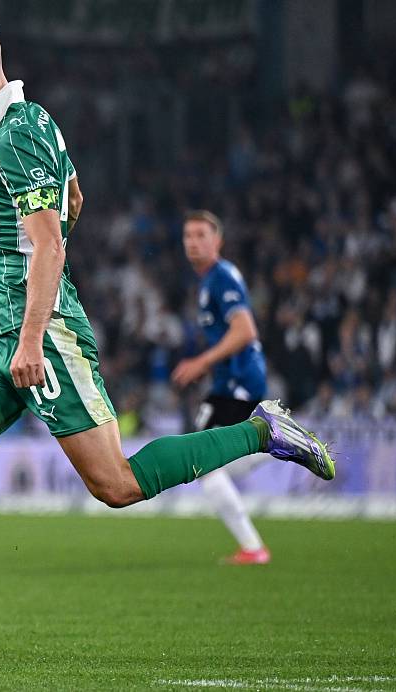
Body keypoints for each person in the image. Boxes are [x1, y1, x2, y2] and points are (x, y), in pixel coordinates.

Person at [0, 13, 334, 658]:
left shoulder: (17, 135)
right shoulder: (22, 128)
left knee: (116, 485)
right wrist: (53, 221)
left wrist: (32, 337)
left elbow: (51, 240)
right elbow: (72, 197)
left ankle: (263, 431)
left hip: (41, 336)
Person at [171, 210, 271, 565]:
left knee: (203, 461)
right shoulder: (209, 281)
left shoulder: (221, 278)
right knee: (206, 463)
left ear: (218, 241)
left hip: (239, 385)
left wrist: (202, 362)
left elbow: (245, 330)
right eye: (188, 235)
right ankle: (274, 441)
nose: (193, 242)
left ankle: (253, 547)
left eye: (201, 235)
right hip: (228, 385)